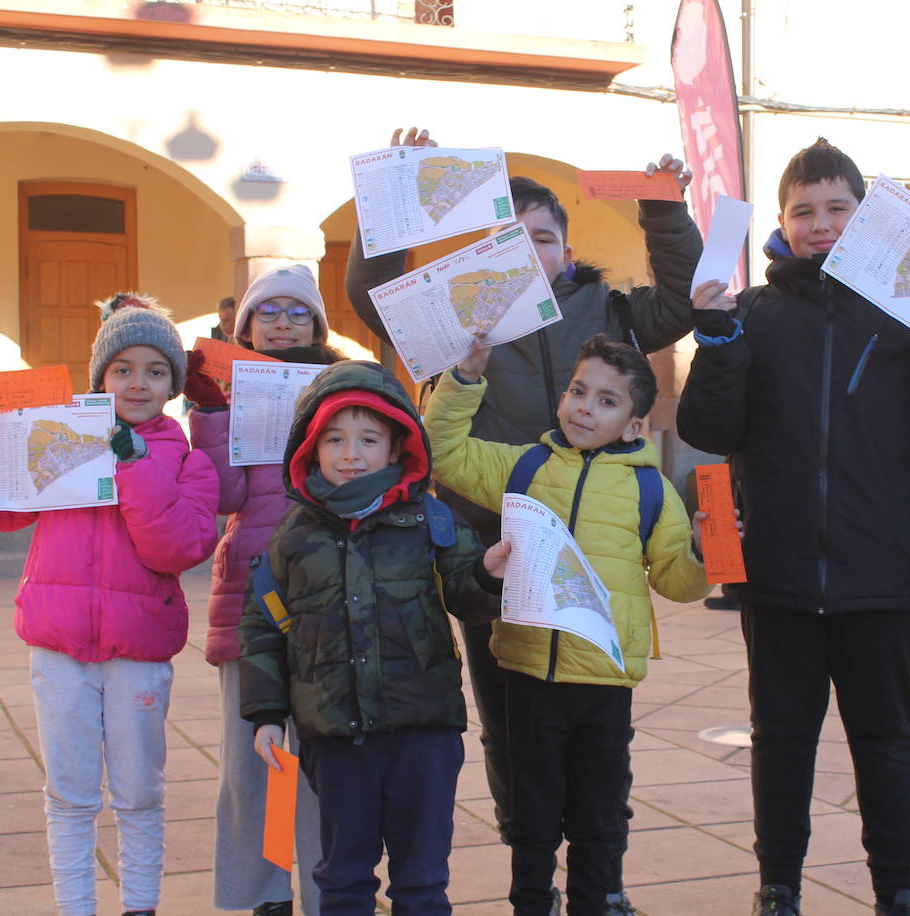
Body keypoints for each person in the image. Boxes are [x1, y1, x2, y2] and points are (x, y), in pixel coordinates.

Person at [346, 126, 702, 915]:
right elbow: (367, 298)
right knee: (514, 726)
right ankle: (529, 857)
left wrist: (663, 214)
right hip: (496, 547)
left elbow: (678, 302)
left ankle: (600, 880)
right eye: (505, 236)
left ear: (566, 254)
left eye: (541, 236)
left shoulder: (605, 309)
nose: (525, 248)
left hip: (602, 553)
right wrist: (396, 198)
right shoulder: (454, 316)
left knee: (602, 732)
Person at [676, 138, 910, 916]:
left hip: (883, 568)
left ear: (865, 218)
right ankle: (778, 887)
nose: (819, 224)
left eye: (836, 208)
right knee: (782, 741)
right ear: (781, 224)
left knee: (887, 742)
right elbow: (712, 426)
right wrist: (716, 340)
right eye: (802, 211)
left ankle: (897, 890)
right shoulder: (753, 314)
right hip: (779, 570)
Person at [0, 294, 220, 916]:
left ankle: (140, 904)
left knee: (140, 791)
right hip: (58, 645)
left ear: (172, 383)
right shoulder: (57, 439)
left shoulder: (190, 462)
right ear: (101, 377)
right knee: (69, 793)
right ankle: (76, 907)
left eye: (155, 370)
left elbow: (178, 548)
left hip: (138, 651)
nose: (137, 382)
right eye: (123, 369)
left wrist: (136, 466)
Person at [424, 333, 713, 916]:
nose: (585, 406)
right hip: (528, 670)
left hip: (604, 684)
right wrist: (464, 381)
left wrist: (705, 555)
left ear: (633, 426)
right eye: (579, 391)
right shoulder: (524, 465)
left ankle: (594, 901)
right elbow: (444, 451)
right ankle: (531, 903)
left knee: (599, 817)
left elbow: (677, 582)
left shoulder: (649, 490)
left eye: (607, 401)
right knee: (531, 816)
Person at [238, 358, 510, 916]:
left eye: (368, 439)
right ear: (311, 448)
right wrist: (267, 713)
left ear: (396, 447)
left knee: (422, 881)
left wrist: (486, 573)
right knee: (341, 878)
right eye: (334, 439)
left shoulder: (431, 521)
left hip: (423, 734)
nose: (350, 454)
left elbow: (466, 596)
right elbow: (263, 626)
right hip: (335, 739)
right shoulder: (293, 536)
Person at [184, 262, 346, 916]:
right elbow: (224, 496)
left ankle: (325, 887)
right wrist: (211, 412)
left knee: (321, 763)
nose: (282, 323)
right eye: (268, 312)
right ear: (243, 325)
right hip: (252, 594)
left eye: (296, 311)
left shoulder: (343, 384)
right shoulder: (226, 392)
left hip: (331, 593)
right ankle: (268, 895)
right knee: (259, 761)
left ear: (316, 322)